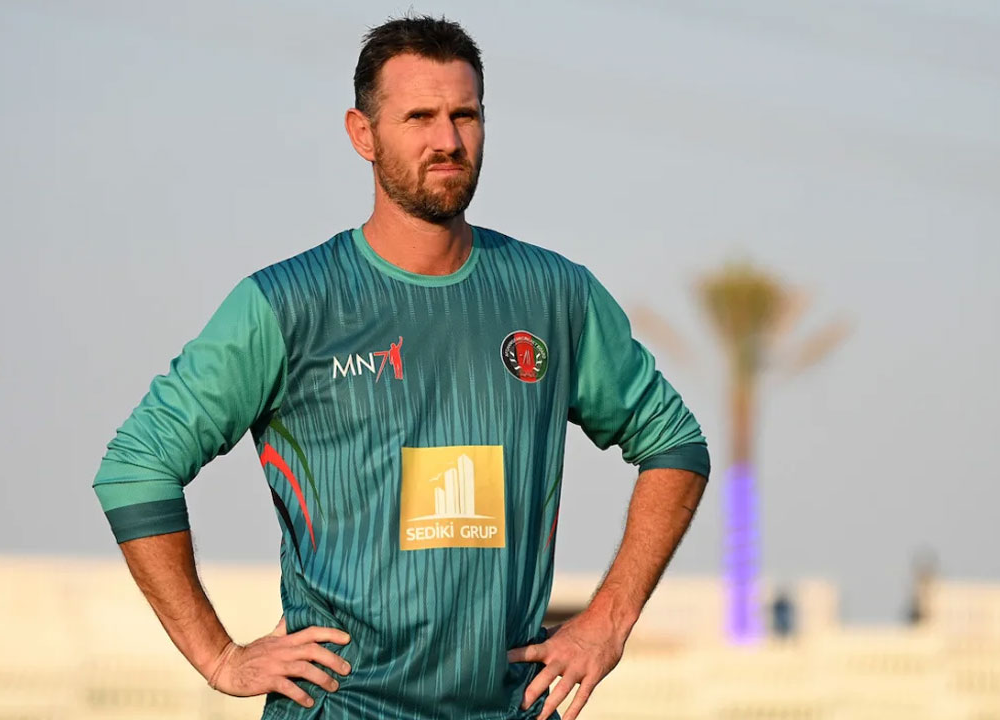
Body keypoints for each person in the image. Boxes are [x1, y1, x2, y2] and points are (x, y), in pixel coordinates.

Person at [91, 14, 709, 720]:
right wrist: (219, 657)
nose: (447, 140)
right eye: (419, 117)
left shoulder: (553, 295)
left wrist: (609, 620)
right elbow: (136, 467)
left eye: (464, 116)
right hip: (340, 706)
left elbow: (674, 444)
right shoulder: (290, 304)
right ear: (363, 134)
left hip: (506, 707)